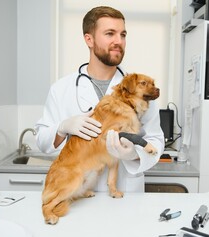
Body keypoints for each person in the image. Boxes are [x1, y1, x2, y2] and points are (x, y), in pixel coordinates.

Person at [35, 6, 164, 192]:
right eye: (110, 33)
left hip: (126, 194)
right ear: (89, 39)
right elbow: (42, 141)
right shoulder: (62, 89)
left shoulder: (139, 90)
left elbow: (156, 140)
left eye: (123, 35)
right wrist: (62, 128)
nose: (118, 41)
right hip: (80, 192)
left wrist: (133, 154)